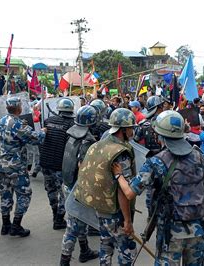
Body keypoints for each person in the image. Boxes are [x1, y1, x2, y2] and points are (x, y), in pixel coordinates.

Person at [113, 110, 204, 265]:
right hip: (199, 228)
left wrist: (118, 175)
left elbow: (130, 193)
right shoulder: (198, 156)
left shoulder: (155, 162)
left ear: (159, 136)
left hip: (171, 232)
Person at [74, 108, 137, 265]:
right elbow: (124, 191)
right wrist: (128, 221)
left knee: (105, 245)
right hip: (115, 212)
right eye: (131, 128)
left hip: (100, 209)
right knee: (126, 251)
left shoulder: (98, 145)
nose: (133, 131)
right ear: (123, 129)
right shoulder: (121, 152)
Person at [0, 97, 46, 237]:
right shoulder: (18, 124)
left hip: (2, 163)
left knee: (5, 194)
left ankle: (5, 224)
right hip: (15, 166)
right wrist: (43, 131)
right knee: (24, 194)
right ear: (19, 108)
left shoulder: (2, 120)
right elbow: (36, 138)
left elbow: (6, 131)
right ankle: (16, 225)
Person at [60, 105, 99, 265]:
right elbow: (84, 168)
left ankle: (84, 250)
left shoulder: (72, 136)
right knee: (73, 227)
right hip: (79, 188)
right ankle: (64, 260)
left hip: (68, 184)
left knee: (79, 219)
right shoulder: (87, 141)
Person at [39, 98, 75, 230]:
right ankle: (59, 218)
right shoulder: (71, 124)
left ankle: (55, 214)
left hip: (45, 163)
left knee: (51, 190)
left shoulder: (48, 121)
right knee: (64, 193)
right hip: (60, 165)